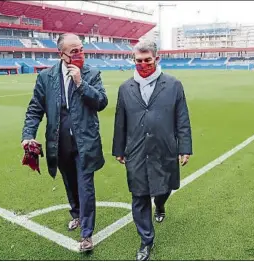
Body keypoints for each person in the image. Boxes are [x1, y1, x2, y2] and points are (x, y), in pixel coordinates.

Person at [21, 33, 108, 252]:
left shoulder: (92, 73)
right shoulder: (46, 78)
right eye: (74, 51)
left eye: (81, 49)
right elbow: (35, 109)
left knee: (85, 185)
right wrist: (28, 134)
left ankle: (87, 234)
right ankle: (76, 214)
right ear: (61, 54)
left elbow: (101, 102)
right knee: (70, 182)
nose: (80, 54)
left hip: (85, 142)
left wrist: (80, 82)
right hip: (59, 142)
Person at [112, 40, 193, 261]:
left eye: (147, 60)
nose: (143, 64)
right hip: (136, 151)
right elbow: (120, 121)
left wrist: (184, 147)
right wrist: (119, 148)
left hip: (164, 148)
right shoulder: (125, 88)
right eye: (139, 60)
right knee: (139, 195)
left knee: (163, 188)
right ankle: (146, 240)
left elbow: (182, 118)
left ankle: (160, 204)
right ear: (134, 60)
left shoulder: (173, 84)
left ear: (156, 58)